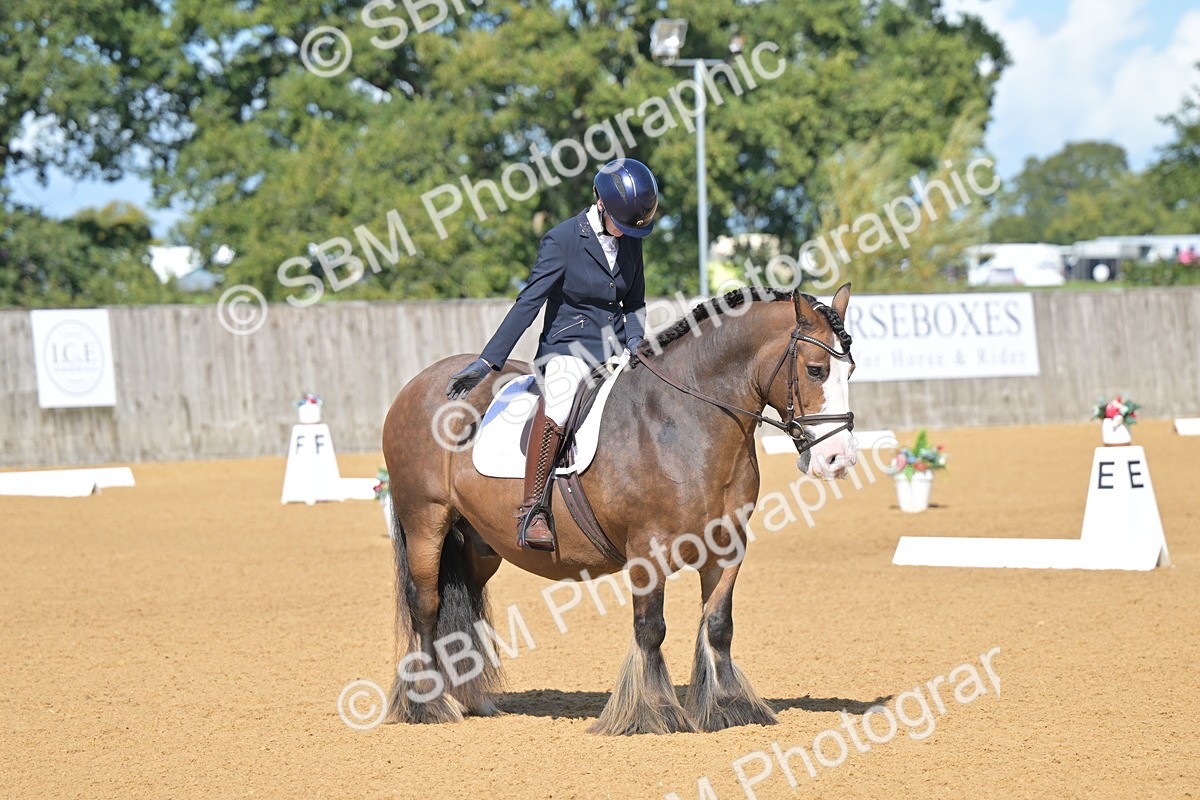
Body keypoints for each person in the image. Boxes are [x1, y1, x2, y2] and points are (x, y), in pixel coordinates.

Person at [444, 158, 659, 551]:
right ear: (600, 204)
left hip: (613, 350)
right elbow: (528, 303)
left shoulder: (631, 239)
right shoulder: (562, 241)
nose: (627, 235)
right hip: (567, 349)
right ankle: (533, 509)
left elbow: (636, 302)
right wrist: (490, 360)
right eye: (621, 225)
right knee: (559, 401)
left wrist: (634, 343)